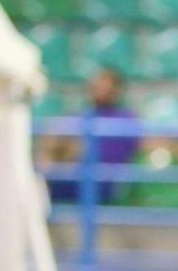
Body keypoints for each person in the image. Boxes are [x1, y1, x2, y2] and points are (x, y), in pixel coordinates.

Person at [40, 66, 140, 204]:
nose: (100, 89)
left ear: (116, 89)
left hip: (103, 183)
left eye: (106, 85)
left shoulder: (125, 119)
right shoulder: (81, 115)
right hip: (69, 178)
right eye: (97, 85)